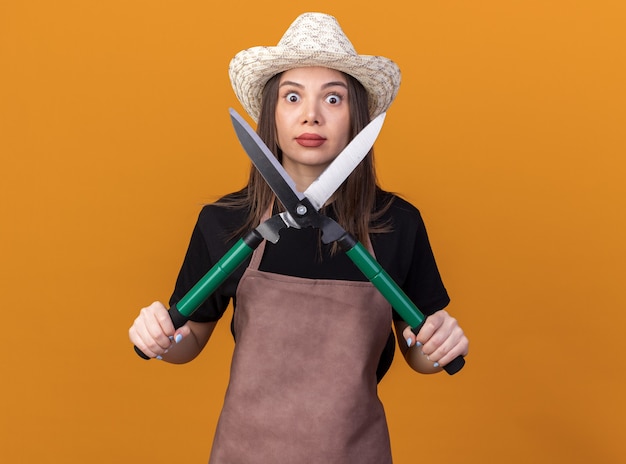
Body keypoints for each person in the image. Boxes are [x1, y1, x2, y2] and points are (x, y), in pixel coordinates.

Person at [129, 12, 469, 463]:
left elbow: (419, 351)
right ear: (271, 112)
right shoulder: (224, 220)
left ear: (357, 118)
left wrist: (441, 343)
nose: (311, 114)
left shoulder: (397, 223)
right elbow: (187, 339)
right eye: (293, 97)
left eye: (333, 99)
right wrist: (159, 337)